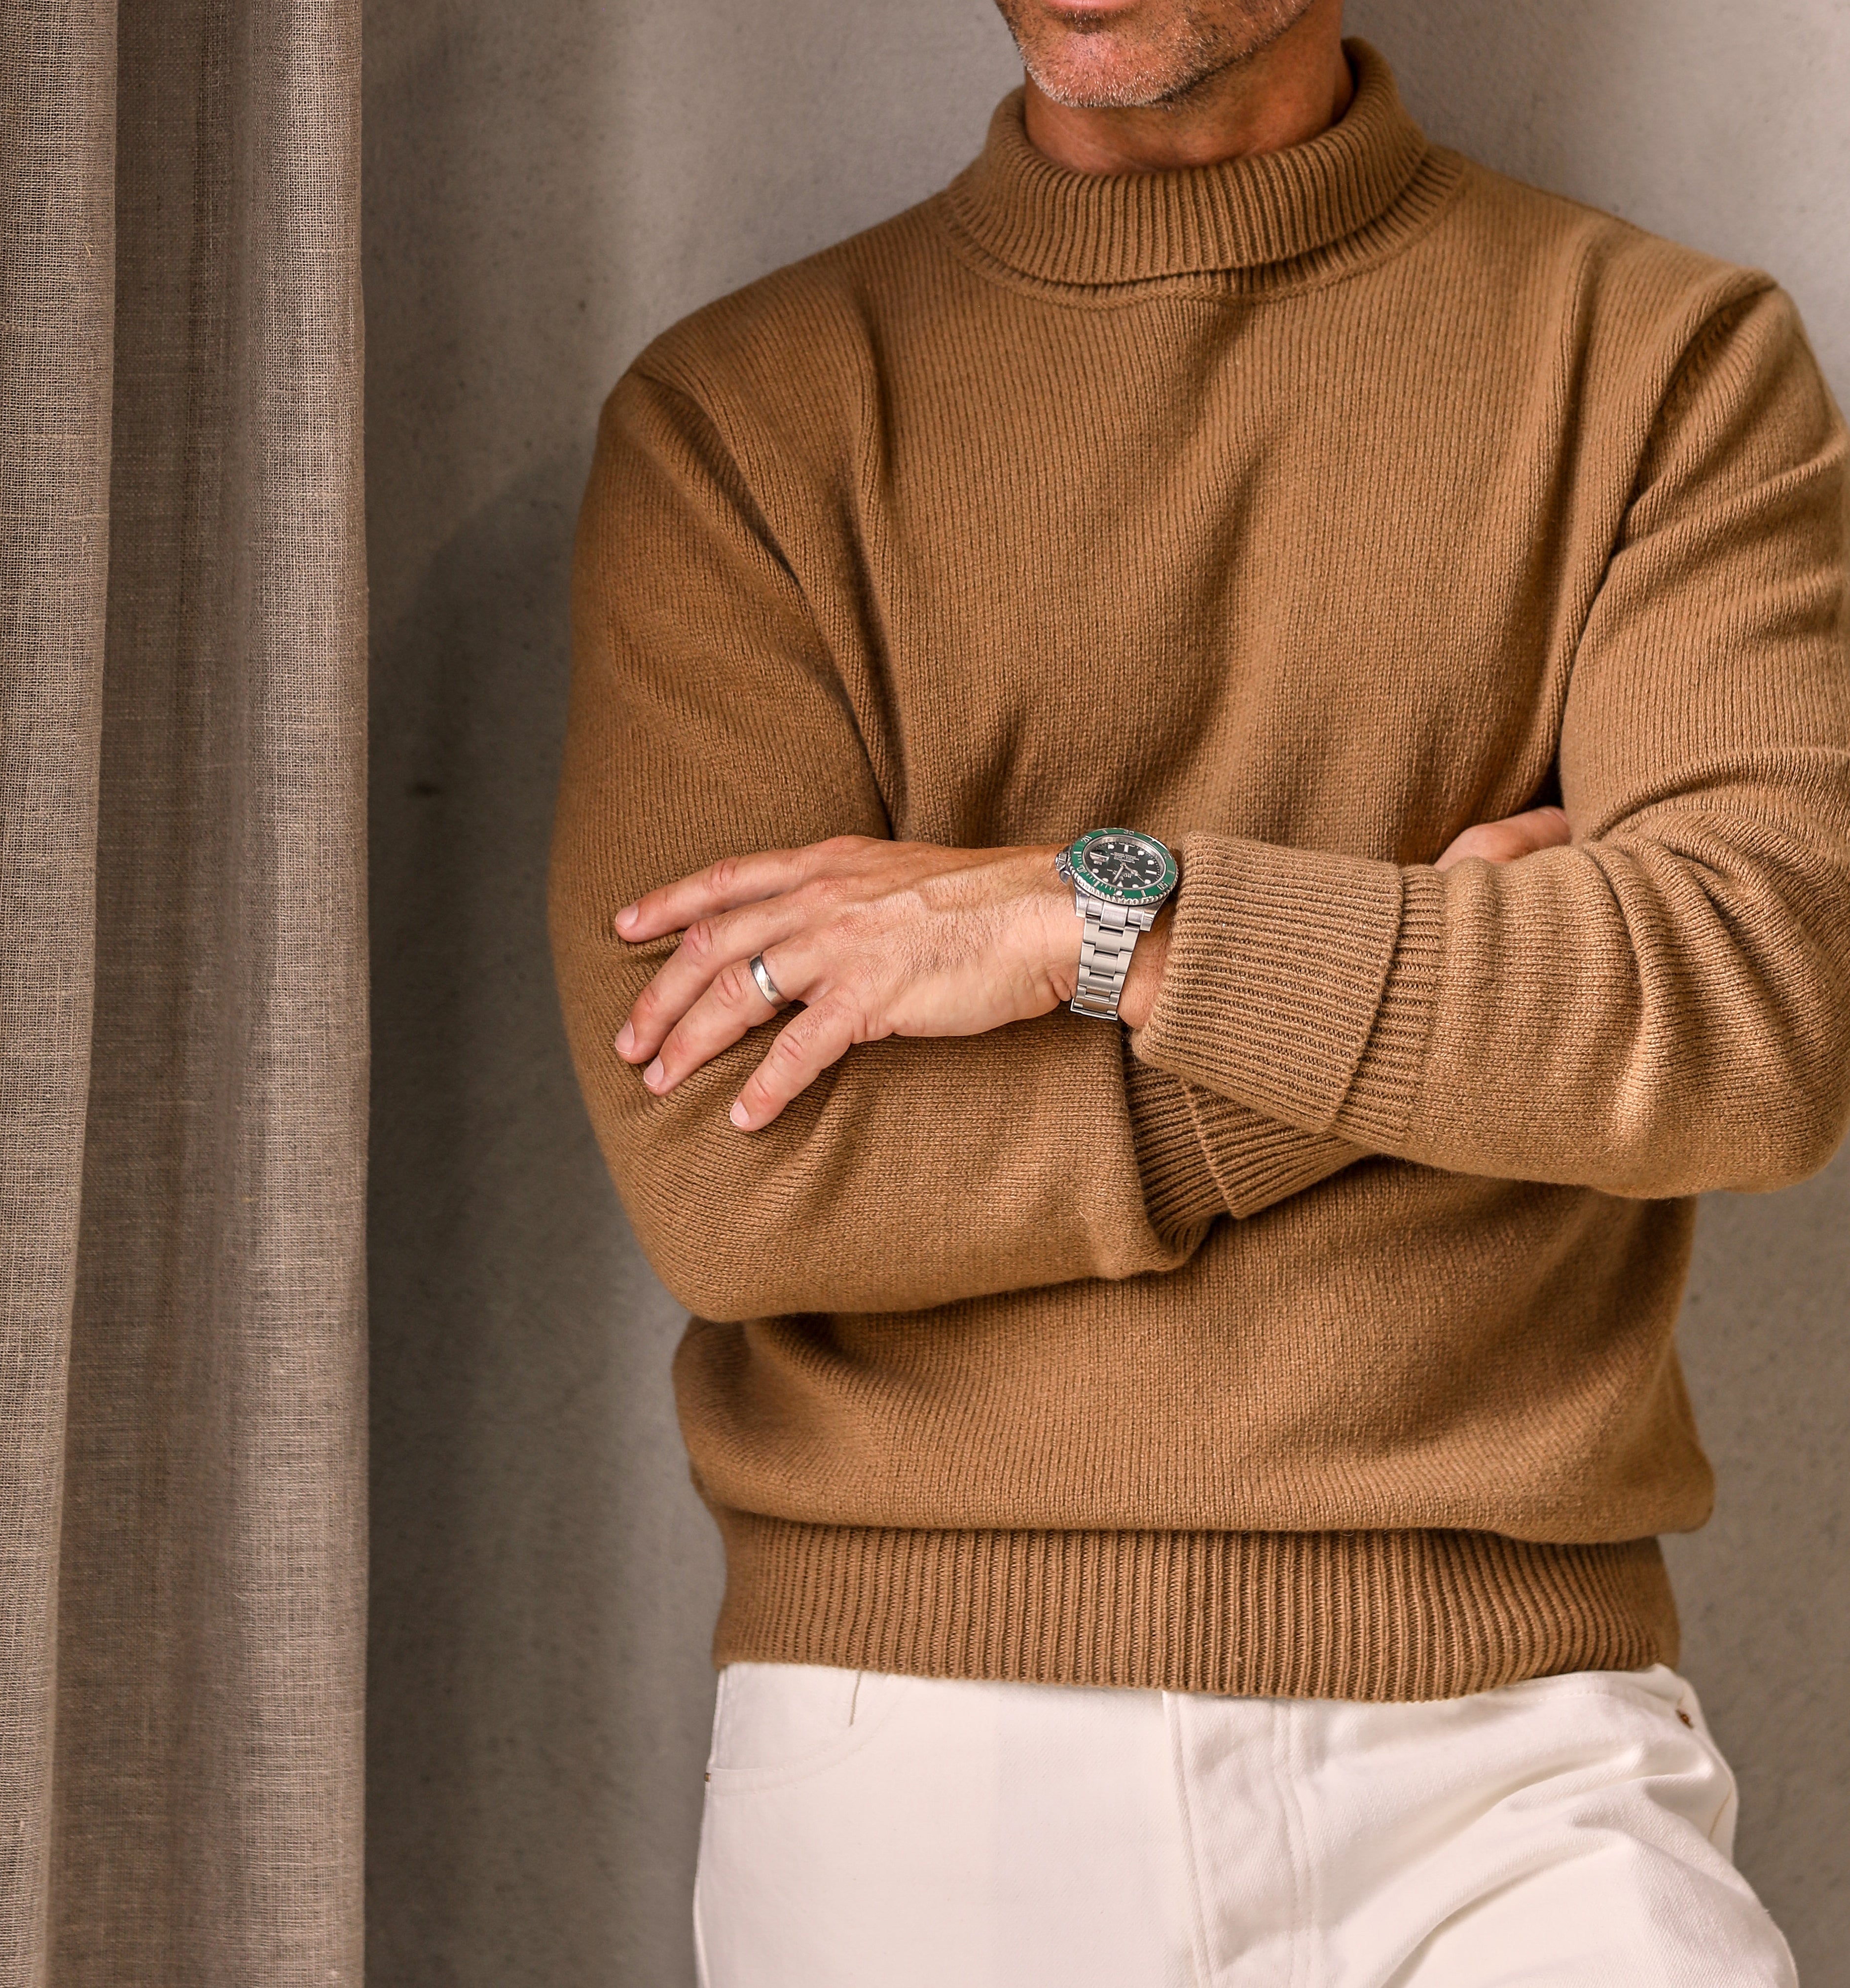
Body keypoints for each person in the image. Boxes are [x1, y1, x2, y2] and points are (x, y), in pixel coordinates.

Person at [548, 0, 1847, 1977]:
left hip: (1519, 1749)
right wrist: (1412, 964)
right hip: (922, 1749)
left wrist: (1098, 926)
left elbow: (1751, 1017)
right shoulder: (747, 420)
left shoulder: (1666, 368)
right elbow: (741, 1180)